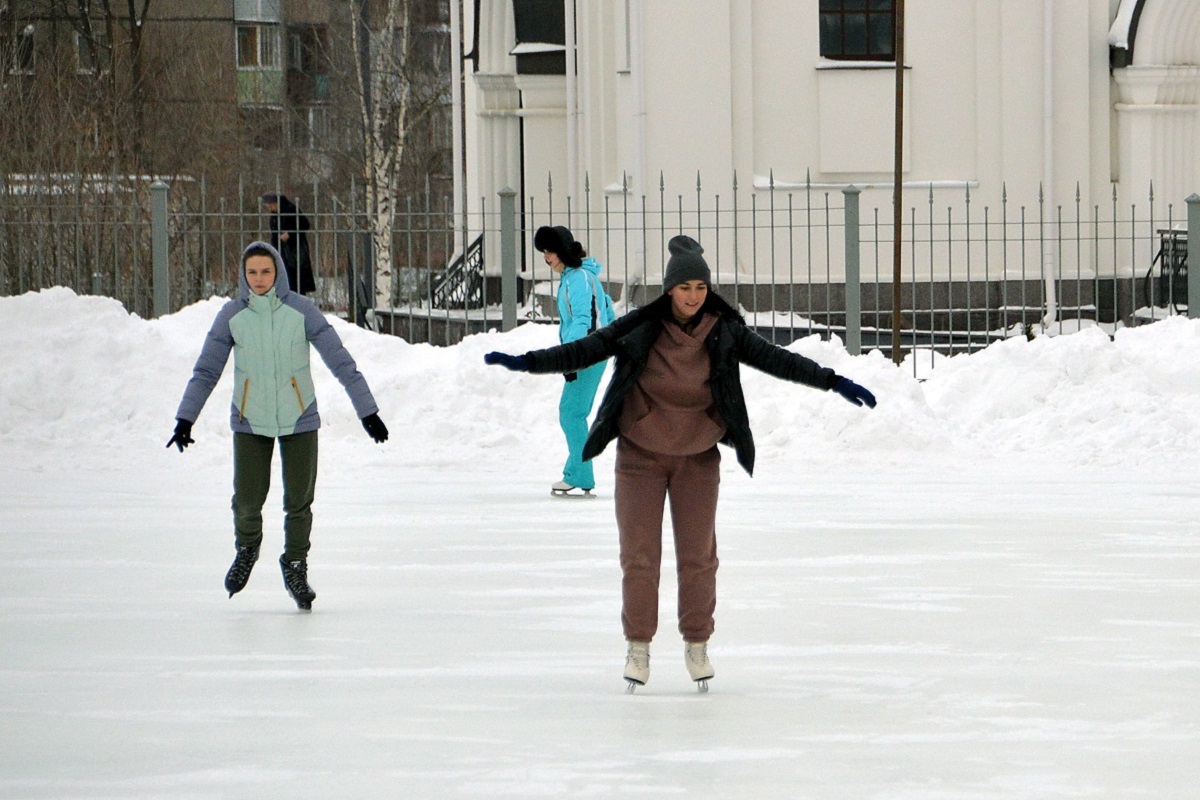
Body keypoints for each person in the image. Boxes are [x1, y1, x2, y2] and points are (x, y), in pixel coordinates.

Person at [484, 235, 876, 691]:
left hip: (697, 459)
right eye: (684, 287)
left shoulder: (723, 330)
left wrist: (833, 380)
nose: (692, 296)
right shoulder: (641, 326)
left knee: (698, 559)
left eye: (700, 287)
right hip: (640, 457)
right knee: (640, 558)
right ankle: (638, 647)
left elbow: (776, 359)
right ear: (669, 289)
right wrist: (526, 361)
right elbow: (586, 349)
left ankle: (696, 644)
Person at [167, 241, 388, 611]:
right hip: (249, 420)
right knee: (248, 500)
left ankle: (295, 563)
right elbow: (206, 370)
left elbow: (341, 361)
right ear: (242, 274)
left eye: (266, 271)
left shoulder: (302, 311)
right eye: (251, 272)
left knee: (299, 502)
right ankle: (248, 546)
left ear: (278, 273)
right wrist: (185, 418)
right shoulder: (231, 315)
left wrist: (367, 411)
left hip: (299, 417)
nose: (258, 279)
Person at [534, 225, 615, 498]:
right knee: (573, 412)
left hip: (588, 354)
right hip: (592, 351)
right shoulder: (578, 277)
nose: (546, 258)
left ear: (563, 251)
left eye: (549, 251)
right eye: (544, 252)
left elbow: (583, 319)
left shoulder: (578, 278)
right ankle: (576, 471)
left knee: (571, 413)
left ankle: (580, 474)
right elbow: (606, 310)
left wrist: (572, 356)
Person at [261, 193, 316, 296]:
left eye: (271, 205)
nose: (270, 208)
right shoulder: (274, 214)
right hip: (280, 250)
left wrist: (290, 234)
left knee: (296, 280)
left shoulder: (290, 210)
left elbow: (304, 225)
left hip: (294, 250)